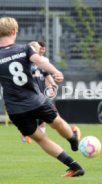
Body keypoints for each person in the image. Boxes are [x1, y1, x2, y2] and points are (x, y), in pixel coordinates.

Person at [0, 17, 84, 177]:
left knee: (41, 139)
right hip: (36, 101)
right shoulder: (24, 49)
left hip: (16, 110)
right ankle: (72, 138)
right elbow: (39, 61)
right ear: (13, 32)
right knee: (57, 122)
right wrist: (56, 72)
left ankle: (74, 166)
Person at [20, 41, 57, 144]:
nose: (37, 50)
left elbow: (46, 74)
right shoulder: (25, 63)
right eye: (35, 49)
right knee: (31, 117)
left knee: (42, 118)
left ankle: (40, 138)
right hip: (30, 93)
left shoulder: (40, 62)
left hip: (40, 92)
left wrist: (52, 84)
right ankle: (25, 135)